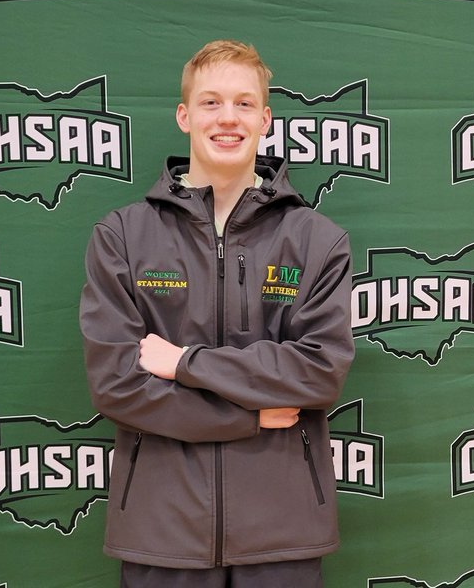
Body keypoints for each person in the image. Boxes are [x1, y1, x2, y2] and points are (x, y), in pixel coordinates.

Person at [80, 39, 355, 588]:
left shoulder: (317, 240)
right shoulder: (123, 236)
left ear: (265, 119)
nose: (227, 118)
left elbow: (319, 373)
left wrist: (184, 362)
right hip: (163, 535)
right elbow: (118, 385)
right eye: (210, 102)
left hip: (283, 532)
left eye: (244, 103)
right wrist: (248, 418)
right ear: (184, 115)